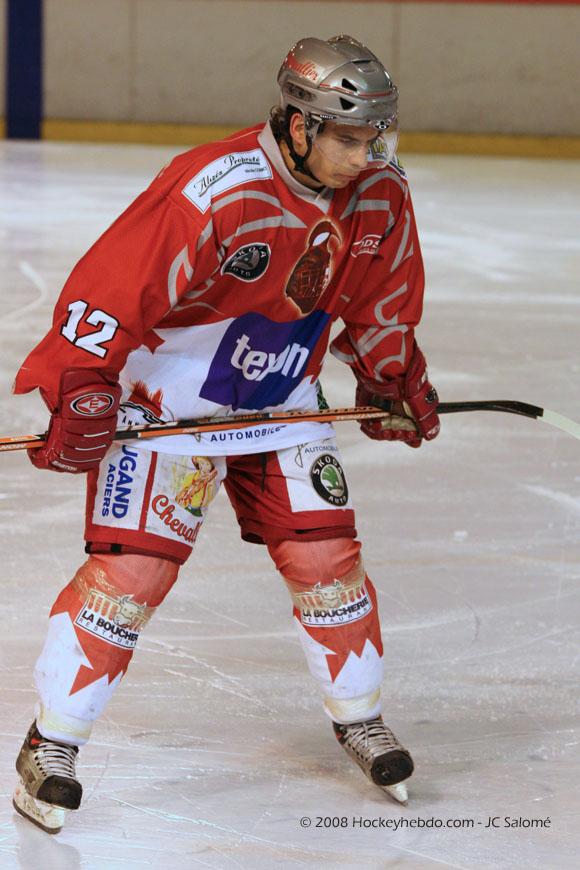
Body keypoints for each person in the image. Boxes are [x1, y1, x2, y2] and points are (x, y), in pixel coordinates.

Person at [11, 34, 440, 833]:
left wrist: (390, 376)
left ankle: (359, 712)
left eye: (371, 136)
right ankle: (52, 743)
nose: (363, 154)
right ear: (299, 123)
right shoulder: (214, 189)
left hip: (281, 402)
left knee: (325, 559)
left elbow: (382, 296)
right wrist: (82, 389)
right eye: (346, 136)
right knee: (132, 580)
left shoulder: (381, 192)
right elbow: (110, 289)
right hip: (167, 409)